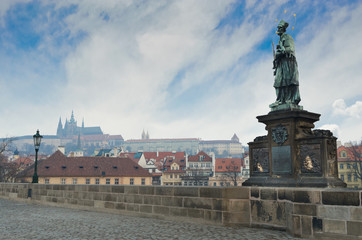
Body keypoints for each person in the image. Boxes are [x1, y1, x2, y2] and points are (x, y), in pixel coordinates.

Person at [271, 20, 301, 107]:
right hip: (281, 63)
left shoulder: (287, 37)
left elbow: (290, 49)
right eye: (278, 28)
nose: (278, 29)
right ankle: (280, 100)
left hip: (288, 62)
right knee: (278, 81)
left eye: (280, 28)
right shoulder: (281, 39)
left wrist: (281, 51)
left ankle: (289, 99)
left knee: (288, 81)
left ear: (283, 29)